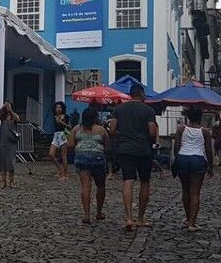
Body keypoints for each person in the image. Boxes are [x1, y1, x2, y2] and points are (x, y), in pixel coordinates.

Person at [110, 84, 158, 231]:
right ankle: (140, 218)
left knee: (128, 181)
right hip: (143, 150)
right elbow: (151, 132)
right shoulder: (148, 110)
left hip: (125, 149)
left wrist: (123, 136)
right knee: (144, 182)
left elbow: (112, 129)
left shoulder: (118, 109)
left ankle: (129, 218)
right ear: (142, 94)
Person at [173, 106, 214, 231]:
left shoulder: (181, 129)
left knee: (185, 190)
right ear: (200, 117)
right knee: (195, 192)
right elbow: (208, 150)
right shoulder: (205, 132)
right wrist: (210, 165)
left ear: (188, 116)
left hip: (183, 158)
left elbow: (176, 146)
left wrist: (176, 159)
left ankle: (187, 217)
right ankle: (192, 222)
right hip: (197, 159)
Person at [68, 106, 109, 224]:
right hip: (97, 158)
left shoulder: (76, 129)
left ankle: (86, 215)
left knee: (86, 186)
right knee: (100, 186)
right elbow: (107, 146)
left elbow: (70, 144)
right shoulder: (101, 130)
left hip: (82, 158)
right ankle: (99, 212)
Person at [0, 101, 21, 189]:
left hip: (11, 142)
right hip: (3, 141)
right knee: (3, 162)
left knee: (11, 162)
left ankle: (11, 181)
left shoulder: (13, 116)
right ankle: (3, 181)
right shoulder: (3, 116)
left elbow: (18, 119)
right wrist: (2, 108)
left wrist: (11, 111)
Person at [48, 101, 71, 180]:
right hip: (56, 135)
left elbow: (69, 126)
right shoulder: (55, 117)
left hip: (63, 135)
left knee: (63, 155)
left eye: (60, 107)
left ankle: (65, 174)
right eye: (57, 107)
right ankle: (59, 168)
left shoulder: (66, 116)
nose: (59, 109)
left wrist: (61, 122)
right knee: (51, 154)